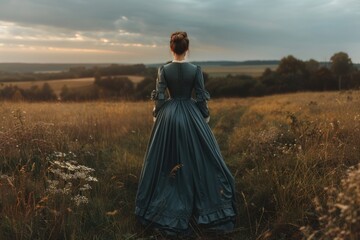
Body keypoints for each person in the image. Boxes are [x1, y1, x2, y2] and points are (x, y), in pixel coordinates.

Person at [135, 31, 236, 237]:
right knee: (200, 158)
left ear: (171, 48)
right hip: (191, 115)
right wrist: (204, 118)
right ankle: (205, 209)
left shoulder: (164, 70)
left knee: (166, 160)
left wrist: (157, 115)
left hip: (169, 117)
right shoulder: (195, 70)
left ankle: (167, 205)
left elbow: (160, 98)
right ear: (186, 48)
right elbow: (201, 98)